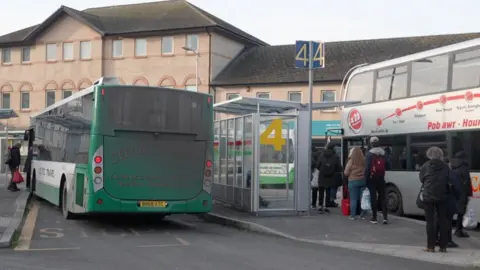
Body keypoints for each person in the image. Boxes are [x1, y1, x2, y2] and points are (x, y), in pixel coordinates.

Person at [418, 146, 451, 253]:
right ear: (441, 155)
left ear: (429, 155)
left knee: (430, 221)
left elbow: (421, 178)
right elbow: (449, 179)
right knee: (443, 221)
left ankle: (430, 247)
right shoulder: (446, 167)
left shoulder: (426, 165)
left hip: (428, 196)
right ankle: (443, 247)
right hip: (442, 196)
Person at [364, 136, 390, 224]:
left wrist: (366, 180)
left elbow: (367, 168)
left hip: (372, 178)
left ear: (371, 144)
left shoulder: (369, 154)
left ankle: (374, 218)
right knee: (383, 197)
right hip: (381, 177)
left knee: (373, 197)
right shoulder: (384, 153)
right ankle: (385, 218)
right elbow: (387, 165)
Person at [315, 143, 343, 214]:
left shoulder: (322, 155)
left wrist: (322, 170)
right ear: (333, 148)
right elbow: (339, 167)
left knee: (321, 192)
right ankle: (326, 206)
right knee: (328, 192)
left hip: (322, 176)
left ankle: (320, 206)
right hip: (330, 177)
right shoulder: (336, 156)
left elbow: (317, 165)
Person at [450, 151, 472, 238]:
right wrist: (469, 194)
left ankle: (452, 230)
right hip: (462, 193)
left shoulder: (453, 166)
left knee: (452, 211)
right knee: (461, 212)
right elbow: (467, 182)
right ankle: (458, 230)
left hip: (454, 192)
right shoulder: (464, 168)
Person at [344, 147, 366, 220]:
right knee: (363, 199)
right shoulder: (364, 161)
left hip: (353, 181)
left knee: (353, 199)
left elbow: (346, 173)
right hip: (363, 181)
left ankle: (353, 215)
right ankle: (362, 215)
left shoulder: (351, 161)